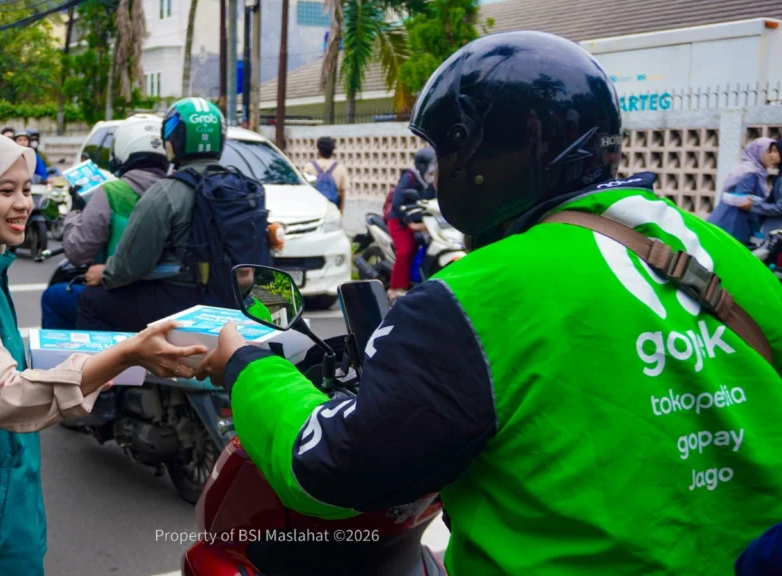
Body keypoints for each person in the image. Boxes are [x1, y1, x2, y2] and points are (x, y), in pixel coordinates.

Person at [197, 31, 782, 575]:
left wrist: (247, 367)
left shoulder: (475, 297)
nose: (440, 174)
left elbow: (332, 470)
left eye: (446, 153)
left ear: (486, 154)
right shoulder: (724, 255)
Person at [0, 127, 207, 574]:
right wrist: (126, 354)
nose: (24, 205)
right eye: (5, 190)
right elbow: (6, 396)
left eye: (27, 189)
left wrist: (95, 364)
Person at [74, 99, 224, 332]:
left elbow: (131, 264)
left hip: (182, 300)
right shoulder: (246, 188)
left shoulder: (166, 192)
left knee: (90, 301)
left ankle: (96, 368)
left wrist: (105, 273)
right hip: (230, 299)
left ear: (172, 144)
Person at [41, 114, 169, 330]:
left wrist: (76, 209)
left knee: (54, 298)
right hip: (169, 299)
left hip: (121, 298)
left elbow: (77, 251)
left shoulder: (111, 192)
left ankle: (65, 363)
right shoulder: (178, 189)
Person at [707, 138, 781, 245]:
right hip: (732, 225)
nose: (771, 155)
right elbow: (743, 200)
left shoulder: (758, 173)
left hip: (737, 226)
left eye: (774, 151)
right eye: (768, 151)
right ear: (758, 152)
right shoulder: (750, 173)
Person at [385, 147, 438, 299]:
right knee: (406, 250)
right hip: (400, 220)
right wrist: (411, 224)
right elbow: (396, 202)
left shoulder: (432, 180)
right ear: (422, 166)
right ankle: (395, 288)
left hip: (423, 221)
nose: (433, 169)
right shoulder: (409, 177)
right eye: (431, 165)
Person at [302, 136, 348, 211]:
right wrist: (340, 213)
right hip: (332, 210)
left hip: (314, 209)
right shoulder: (340, 168)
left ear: (318, 149)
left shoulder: (309, 167)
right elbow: (342, 194)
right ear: (332, 150)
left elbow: (305, 191)